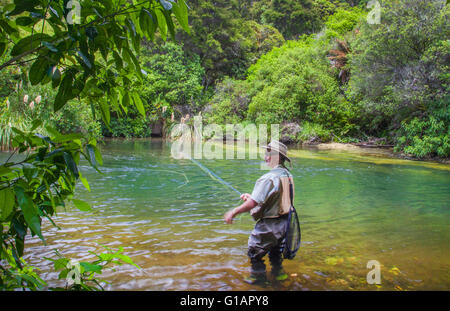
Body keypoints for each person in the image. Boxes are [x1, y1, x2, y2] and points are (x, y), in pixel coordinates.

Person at [224, 140, 294, 284]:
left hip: (270, 225)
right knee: (276, 251)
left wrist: (234, 212)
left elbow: (253, 203)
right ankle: (278, 274)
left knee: (254, 251)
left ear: (277, 157)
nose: (265, 157)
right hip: (286, 223)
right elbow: (275, 198)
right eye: (266, 153)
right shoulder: (286, 174)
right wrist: (252, 197)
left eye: (269, 153)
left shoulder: (267, 178)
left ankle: (258, 279)